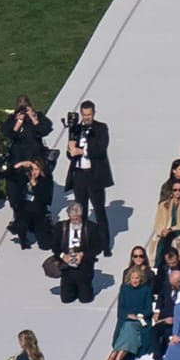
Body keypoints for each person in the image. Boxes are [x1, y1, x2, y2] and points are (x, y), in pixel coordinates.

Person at [65, 100, 114, 256]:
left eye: (89, 115)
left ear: (94, 113)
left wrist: (82, 151)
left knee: (99, 211)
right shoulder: (76, 129)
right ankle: (84, 245)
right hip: (79, 174)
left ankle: (105, 246)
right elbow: (71, 153)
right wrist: (70, 150)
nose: (86, 117)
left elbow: (100, 149)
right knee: (81, 211)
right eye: (84, 115)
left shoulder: (101, 128)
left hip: (95, 175)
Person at [107, 266, 153, 360]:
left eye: (137, 278)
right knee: (129, 329)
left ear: (140, 279)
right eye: (133, 278)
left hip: (140, 320)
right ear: (129, 278)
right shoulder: (124, 289)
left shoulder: (146, 290)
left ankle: (114, 357)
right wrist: (128, 316)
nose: (135, 280)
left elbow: (148, 309)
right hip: (127, 320)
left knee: (130, 328)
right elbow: (120, 310)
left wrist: (139, 316)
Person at [54, 203, 97, 304]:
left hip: (84, 267)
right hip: (66, 267)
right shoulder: (61, 227)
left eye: (76, 218)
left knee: (85, 299)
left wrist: (83, 254)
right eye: (72, 218)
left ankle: (84, 289)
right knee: (66, 299)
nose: (74, 221)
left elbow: (97, 247)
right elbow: (54, 246)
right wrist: (63, 256)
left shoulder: (91, 227)